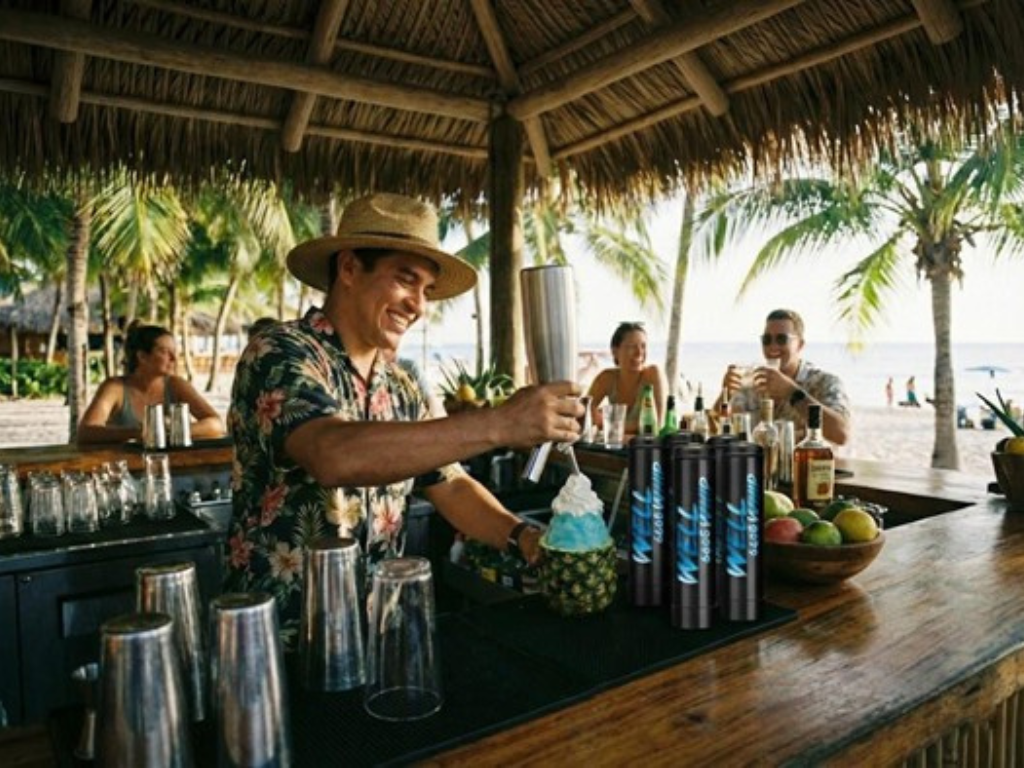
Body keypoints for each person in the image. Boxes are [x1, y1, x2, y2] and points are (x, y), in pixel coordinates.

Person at [225, 192, 581, 643]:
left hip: (377, 631)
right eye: (405, 280)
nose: (418, 305)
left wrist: (525, 539)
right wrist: (500, 423)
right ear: (350, 268)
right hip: (280, 638)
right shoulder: (280, 352)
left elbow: (448, 483)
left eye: (426, 290)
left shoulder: (403, 385)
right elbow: (331, 453)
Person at [716, 309, 850, 446]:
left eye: (782, 339)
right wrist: (725, 394)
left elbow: (842, 434)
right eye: (767, 340)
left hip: (807, 465)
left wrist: (791, 392)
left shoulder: (823, 382)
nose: (773, 346)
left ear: (800, 344)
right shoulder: (754, 382)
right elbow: (717, 429)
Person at [77, 322, 226, 445]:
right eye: (164, 351)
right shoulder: (115, 388)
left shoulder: (176, 385)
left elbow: (215, 424)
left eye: (174, 351)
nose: (174, 358)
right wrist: (140, 433)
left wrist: (167, 432)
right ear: (142, 356)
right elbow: (86, 432)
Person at [585, 321, 667, 434]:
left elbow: (656, 425)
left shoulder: (653, 375)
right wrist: (595, 417)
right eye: (632, 347)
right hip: (618, 448)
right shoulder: (607, 378)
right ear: (615, 351)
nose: (639, 353)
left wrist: (608, 423)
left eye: (643, 346)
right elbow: (584, 412)